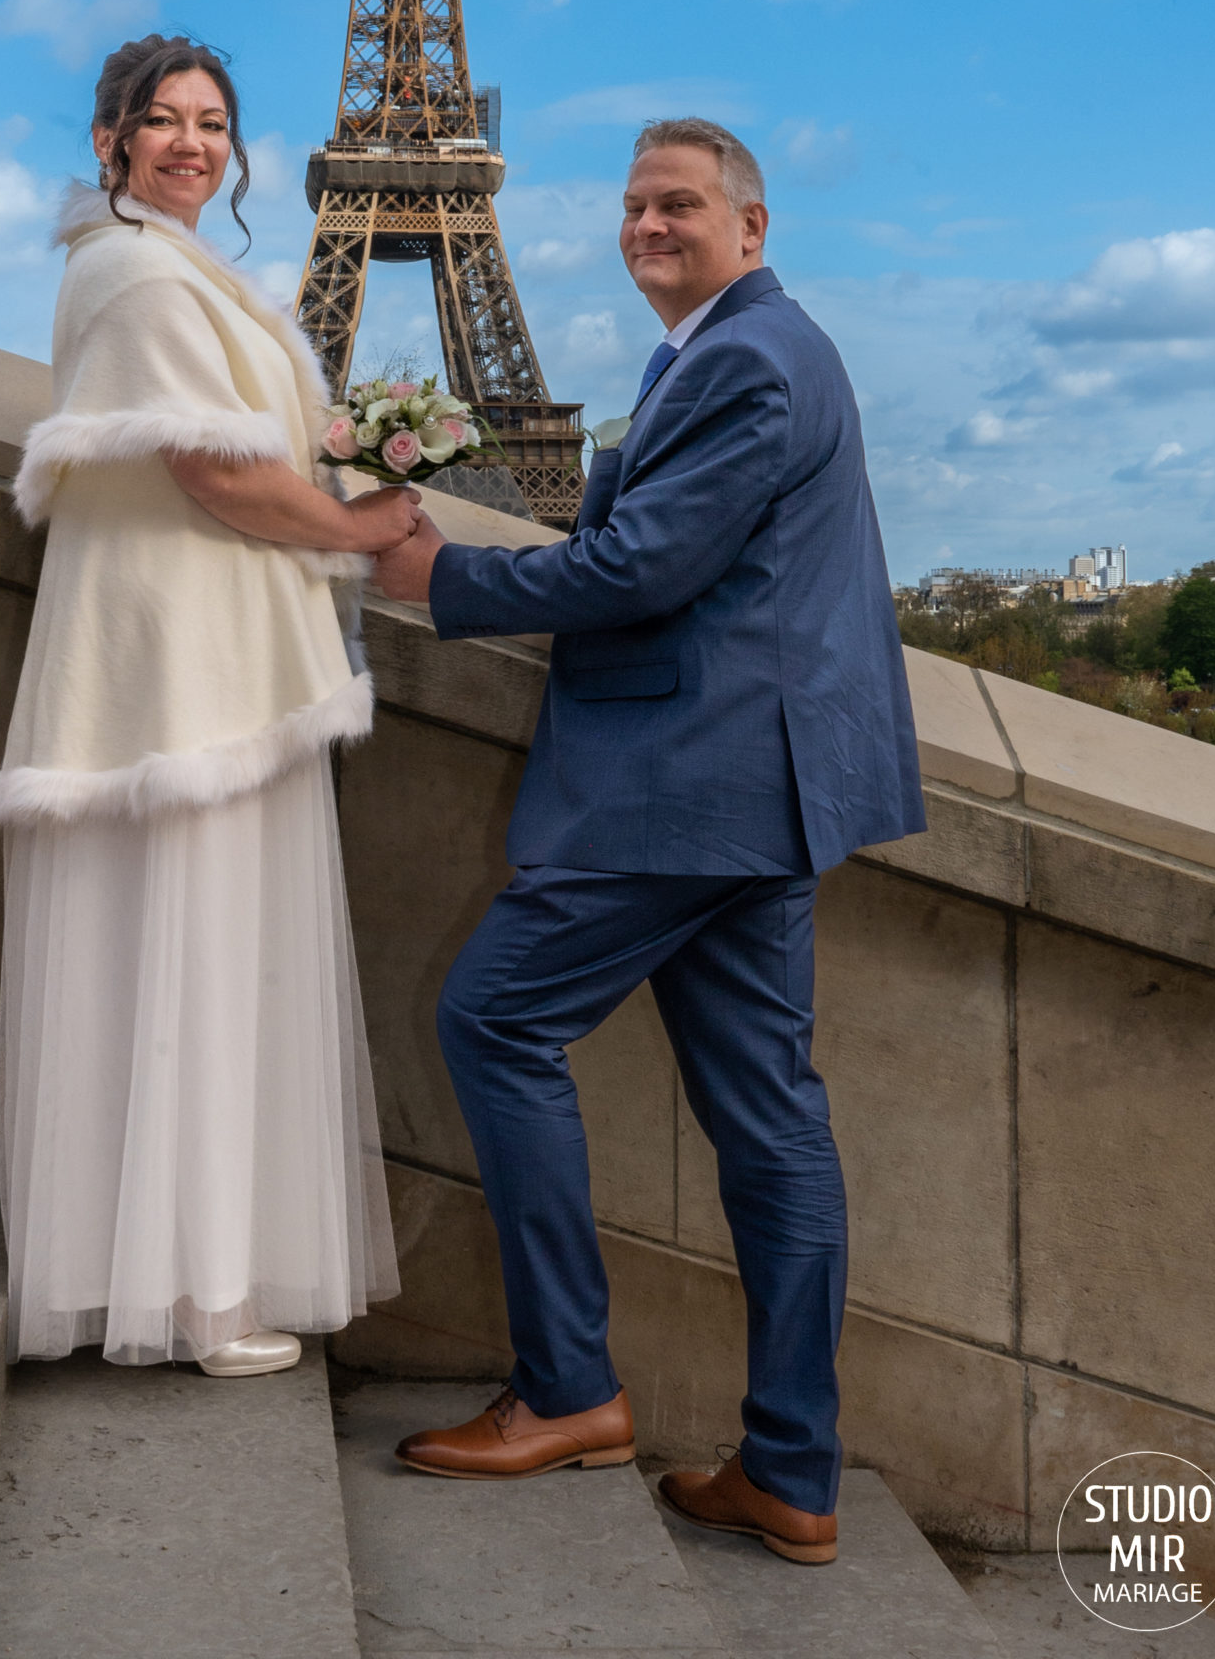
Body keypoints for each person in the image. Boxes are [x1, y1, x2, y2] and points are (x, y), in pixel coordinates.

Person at [372, 117, 924, 1561]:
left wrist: (443, 570)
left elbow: (646, 565)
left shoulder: (746, 356)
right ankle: (792, 1466)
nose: (646, 226)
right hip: (756, 789)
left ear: (753, 223)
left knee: (493, 1019)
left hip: (696, 784)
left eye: (677, 203)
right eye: (631, 205)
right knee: (769, 1123)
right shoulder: (738, 348)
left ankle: (569, 1389)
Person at [0, 34, 412, 1376]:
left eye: (213, 122)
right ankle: (201, 1296)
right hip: (186, 663)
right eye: (161, 121)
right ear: (109, 140)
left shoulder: (173, 269)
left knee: (182, 966)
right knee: (204, 960)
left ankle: (169, 1269)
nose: (191, 142)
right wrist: (360, 524)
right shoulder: (132, 271)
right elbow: (217, 477)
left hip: (195, 649)